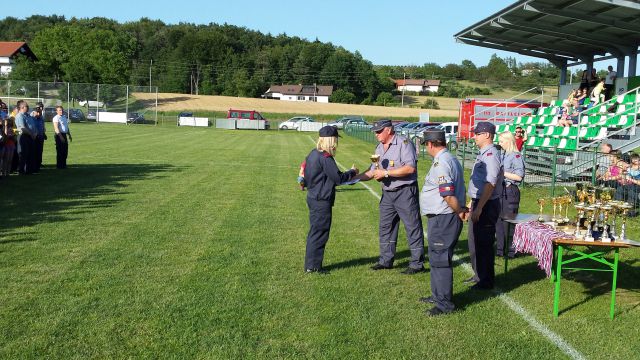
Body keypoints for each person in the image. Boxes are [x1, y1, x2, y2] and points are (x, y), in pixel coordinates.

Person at [354, 119, 425, 274]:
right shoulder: (379, 147)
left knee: (412, 227)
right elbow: (373, 170)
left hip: (405, 191)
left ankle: (417, 264)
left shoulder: (404, 143)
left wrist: (386, 173)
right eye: (375, 131)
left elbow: (410, 168)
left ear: (388, 130)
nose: (376, 134)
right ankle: (386, 260)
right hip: (387, 193)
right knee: (386, 227)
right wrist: (354, 178)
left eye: (379, 131)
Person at [418, 129, 467, 316]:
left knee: (440, 260)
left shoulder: (442, 162)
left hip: (443, 217)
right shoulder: (450, 158)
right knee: (437, 257)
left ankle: (444, 304)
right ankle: (438, 296)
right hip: (443, 216)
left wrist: (460, 210)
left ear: (430, 144)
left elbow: (447, 193)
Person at [303, 125, 358, 274]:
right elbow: (338, 178)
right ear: (331, 140)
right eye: (336, 140)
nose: (337, 144)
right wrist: (352, 172)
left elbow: (305, 174)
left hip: (314, 197)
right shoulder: (325, 158)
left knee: (315, 232)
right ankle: (314, 266)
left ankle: (310, 265)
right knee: (320, 233)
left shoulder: (313, 153)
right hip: (321, 200)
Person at [465, 122, 503, 289]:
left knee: (484, 243)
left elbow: (490, 184)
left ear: (487, 135)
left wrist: (479, 207)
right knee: (475, 242)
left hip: (487, 205)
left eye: (478, 133)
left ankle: (486, 280)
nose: (475, 136)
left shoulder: (491, 155)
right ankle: (479, 275)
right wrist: (472, 202)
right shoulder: (484, 153)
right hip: (479, 202)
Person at [495, 131, 525, 259]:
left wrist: (503, 173)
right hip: (500, 191)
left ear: (508, 141)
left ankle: (511, 250)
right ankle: (500, 249)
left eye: (502, 141)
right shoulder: (503, 155)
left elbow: (519, 176)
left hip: (510, 191)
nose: (500, 144)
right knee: (498, 221)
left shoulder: (516, 156)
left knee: (509, 221)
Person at [14, 101, 36, 174]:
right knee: (23, 153)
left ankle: (29, 170)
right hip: (23, 136)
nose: (28, 107)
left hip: (30, 136)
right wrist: (31, 134)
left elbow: (33, 125)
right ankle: (21, 170)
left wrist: (35, 133)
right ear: (22, 107)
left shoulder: (28, 115)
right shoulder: (20, 116)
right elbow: (23, 128)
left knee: (30, 153)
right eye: (27, 106)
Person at [31, 104, 46, 172]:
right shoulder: (32, 119)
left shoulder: (41, 118)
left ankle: (38, 165)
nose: (39, 114)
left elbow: (42, 127)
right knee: (34, 151)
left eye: (40, 112)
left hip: (41, 136)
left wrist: (43, 133)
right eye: (38, 112)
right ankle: (34, 166)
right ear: (35, 112)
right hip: (34, 137)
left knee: (40, 151)